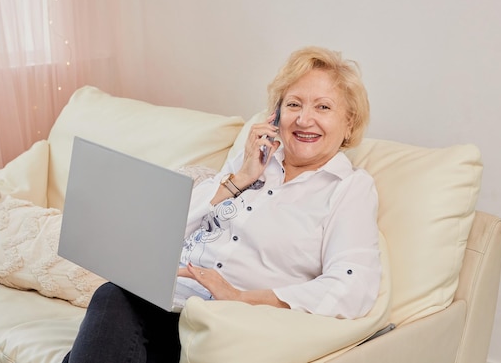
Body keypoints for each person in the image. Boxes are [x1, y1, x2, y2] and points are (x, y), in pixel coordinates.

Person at [62, 46, 381, 363]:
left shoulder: (349, 188)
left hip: (230, 324)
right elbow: (165, 234)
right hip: (173, 303)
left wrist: (240, 298)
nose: (304, 119)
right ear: (276, 115)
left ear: (349, 123)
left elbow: (352, 286)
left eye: (323, 107)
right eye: (294, 104)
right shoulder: (254, 160)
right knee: (113, 300)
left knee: (111, 304)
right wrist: (239, 177)